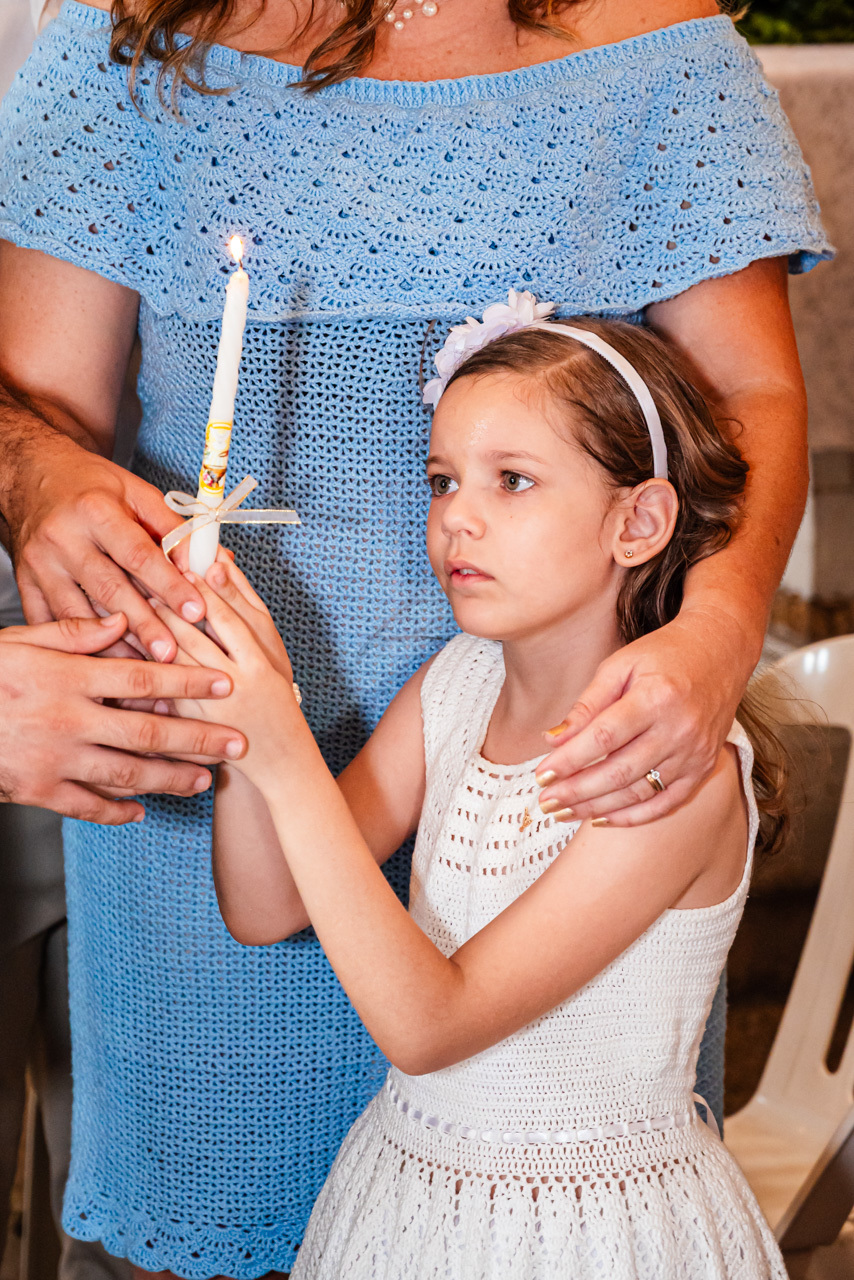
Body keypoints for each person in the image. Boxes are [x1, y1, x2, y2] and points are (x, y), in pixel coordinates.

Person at [0, 0, 829, 1273]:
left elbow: (754, 394)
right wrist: (37, 475)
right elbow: (32, 402)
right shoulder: (122, 39)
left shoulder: (656, 47)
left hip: (575, 789)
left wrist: (715, 633)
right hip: (201, 811)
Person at [160, 299, 788, 1278]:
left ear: (638, 520)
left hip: (593, 1232)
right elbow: (261, 899)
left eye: (513, 480)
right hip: (412, 1198)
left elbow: (429, 1023)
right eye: (442, 478)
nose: (458, 513)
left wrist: (289, 754)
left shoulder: (675, 773)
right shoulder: (455, 685)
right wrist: (251, 718)